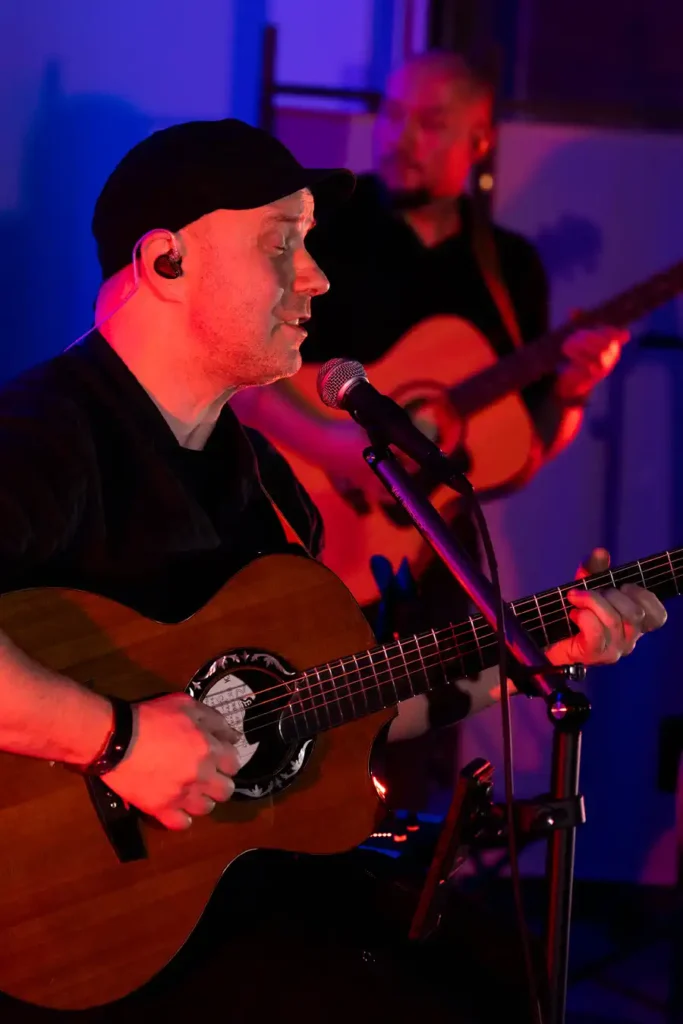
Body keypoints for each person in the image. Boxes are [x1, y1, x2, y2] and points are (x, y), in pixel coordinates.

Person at [0, 119, 665, 1024]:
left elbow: (338, 706)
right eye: (282, 244)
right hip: (78, 937)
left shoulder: (266, 485)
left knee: (501, 975)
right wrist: (116, 740)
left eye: (308, 245)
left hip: (223, 900)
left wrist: (537, 651)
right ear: (165, 262)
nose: (315, 277)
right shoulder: (44, 437)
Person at [232, 49, 629, 811]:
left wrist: (572, 394)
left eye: (429, 122)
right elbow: (245, 377)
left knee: (411, 778)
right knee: (291, 746)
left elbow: (517, 455)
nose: (400, 137)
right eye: (392, 115)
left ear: (478, 139)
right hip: (303, 531)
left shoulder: (507, 268)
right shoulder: (325, 228)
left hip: (433, 562)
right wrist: (342, 452)